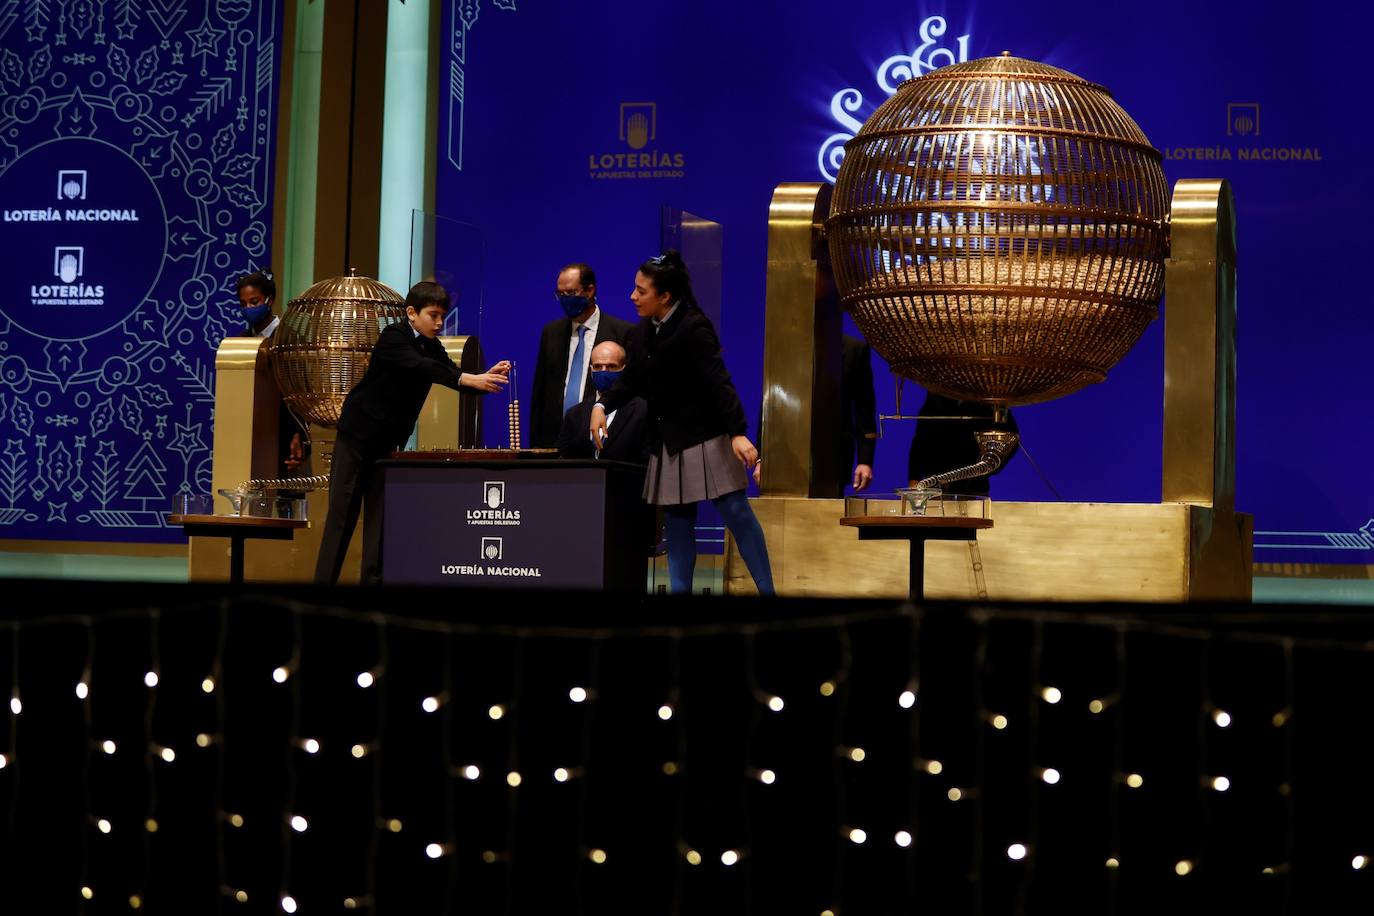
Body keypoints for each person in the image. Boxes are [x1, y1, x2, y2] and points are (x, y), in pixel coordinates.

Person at [592, 250, 774, 595]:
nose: (633, 297)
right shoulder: (642, 331)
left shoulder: (693, 327)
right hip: (667, 442)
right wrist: (601, 405)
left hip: (707, 438)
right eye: (635, 288)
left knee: (736, 512)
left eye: (641, 291)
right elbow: (632, 380)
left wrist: (737, 433)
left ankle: (769, 594)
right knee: (677, 523)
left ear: (665, 296)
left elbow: (719, 382)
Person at [314, 281, 511, 585]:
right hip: (359, 436)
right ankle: (323, 586)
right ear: (411, 313)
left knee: (381, 518)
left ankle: (374, 586)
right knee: (343, 514)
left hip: (388, 441)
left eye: (442, 316)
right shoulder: (394, 336)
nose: (439, 322)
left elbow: (450, 375)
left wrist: (486, 378)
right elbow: (422, 368)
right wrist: (468, 378)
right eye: (433, 315)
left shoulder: (431, 344)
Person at [752, 333, 877, 494]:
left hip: (834, 458)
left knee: (828, 515)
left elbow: (864, 409)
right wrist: (763, 459)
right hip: (786, 453)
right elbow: (770, 404)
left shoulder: (855, 350)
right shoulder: (785, 347)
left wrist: (865, 461)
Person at [530, 263, 633, 448]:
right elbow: (541, 394)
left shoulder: (622, 332)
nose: (564, 299)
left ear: (590, 290)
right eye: (560, 294)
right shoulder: (551, 332)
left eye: (570, 293)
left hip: (601, 439)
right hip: (555, 442)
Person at [237, 268, 307, 476]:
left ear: (270, 299)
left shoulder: (289, 340)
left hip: (286, 437)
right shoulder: (239, 343)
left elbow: (302, 392)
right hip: (248, 439)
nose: (248, 308)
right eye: (243, 304)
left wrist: (300, 435)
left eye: (254, 302)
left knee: (285, 501)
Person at [556, 340, 650, 463]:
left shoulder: (643, 411)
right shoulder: (574, 414)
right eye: (598, 366)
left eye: (611, 366)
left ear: (624, 369)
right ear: (591, 370)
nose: (604, 371)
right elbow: (562, 456)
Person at [907, 391, 1019, 494]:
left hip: (973, 488)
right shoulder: (937, 396)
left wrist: (987, 468)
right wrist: (914, 478)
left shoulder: (989, 397)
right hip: (935, 487)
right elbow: (920, 439)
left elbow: (1011, 438)